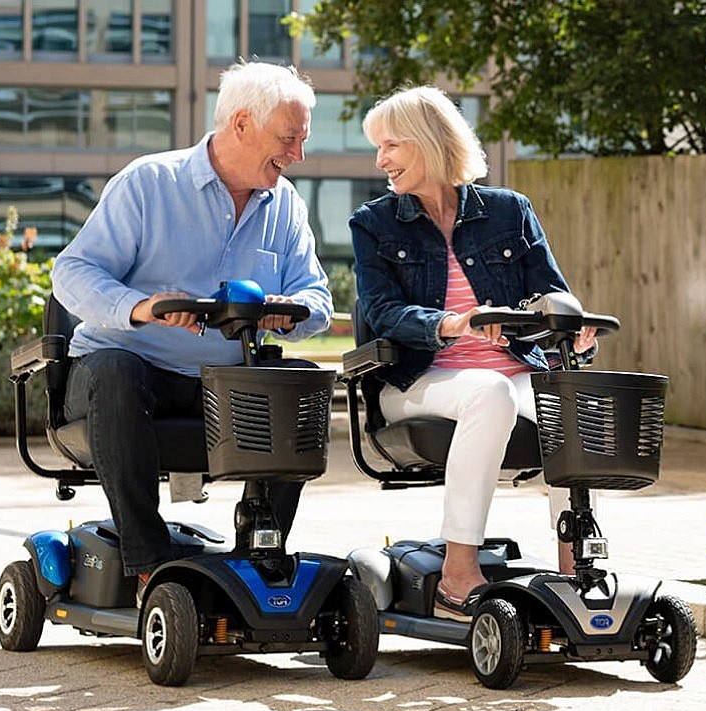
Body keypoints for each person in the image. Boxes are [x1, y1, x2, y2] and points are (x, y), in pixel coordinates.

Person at [50, 61, 333, 604]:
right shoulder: (149, 183)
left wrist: (288, 310)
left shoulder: (287, 206)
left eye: (303, 139)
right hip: (125, 372)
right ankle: (148, 562)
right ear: (242, 125)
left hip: (221, 381)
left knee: (299, 381)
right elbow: (72, 272)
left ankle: (260, 551)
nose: (298, 154)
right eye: (288, 138)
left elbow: (318, 301)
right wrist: (141, 306)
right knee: (116, 370)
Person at [349, 85, 597, 622]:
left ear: (430, 142)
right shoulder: (374, 223)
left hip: (513, 372)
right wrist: (450, 323)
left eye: (391, 145)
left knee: (569, 400)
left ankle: (576, 572)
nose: (381, 160)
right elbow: (384, 312)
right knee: (489, 392)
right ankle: (458, 574)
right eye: (379, 148)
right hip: (416, 380)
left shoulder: (510, 212)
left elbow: (552, 291)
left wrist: (570, 324)